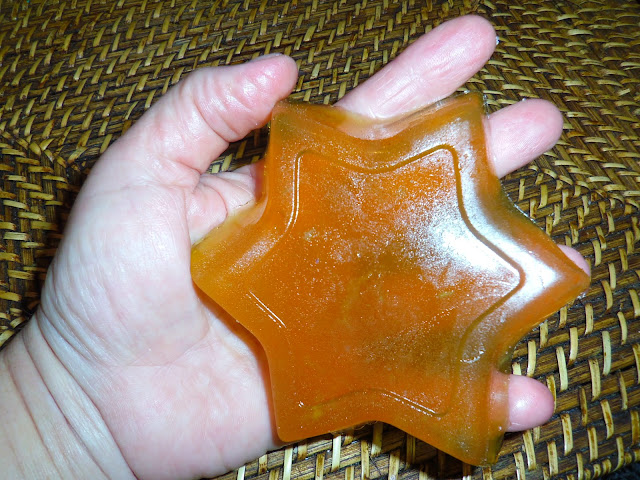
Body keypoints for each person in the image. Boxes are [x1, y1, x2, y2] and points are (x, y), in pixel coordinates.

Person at [0, 15, 588, 480]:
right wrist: (68, 388)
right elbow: (232, 268)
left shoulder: (448, 163)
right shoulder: (258, 228)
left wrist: (63, 417)